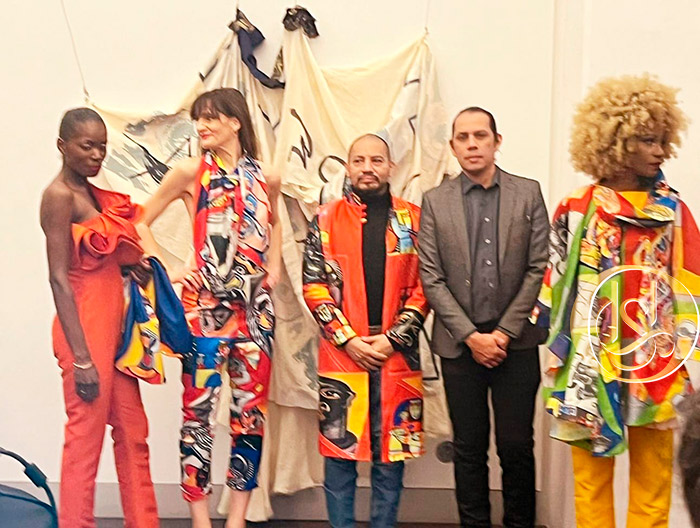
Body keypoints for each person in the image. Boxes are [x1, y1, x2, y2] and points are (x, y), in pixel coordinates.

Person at [533, 74, 700, 528]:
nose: (660, 151)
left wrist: (682, 349)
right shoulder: (576, 207)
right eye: (648, 140)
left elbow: (691, 285)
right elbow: (554, 283)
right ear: (617, 142)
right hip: (590, 363)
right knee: (591, 482)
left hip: (655, 364)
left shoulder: (674, 211)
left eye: (663, 140)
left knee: (653, 480)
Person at [137, 88, 281, 528]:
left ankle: (237, 519)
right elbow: (140, 221)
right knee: (197, 416)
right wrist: (169, 268)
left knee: (249, 418)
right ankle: (200, 518)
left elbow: (275, 224)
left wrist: (274, 269)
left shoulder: (266, 176)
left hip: (255, 317)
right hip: (204, 315)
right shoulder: (190, 171)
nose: (201, 126)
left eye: (211, 118)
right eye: (198, 118)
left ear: (235, 122)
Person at [418, 107, 549, 528]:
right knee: (469, 448)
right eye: (463, 137)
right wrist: (472, 336)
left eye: (480, 136)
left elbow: (539, 267)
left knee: (516, 447)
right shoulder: (435, 201)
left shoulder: (528, 193)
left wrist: (504, 333)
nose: (472, 144)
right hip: (460, 347)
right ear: (453, 146)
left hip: (517, 344)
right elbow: (431, 277)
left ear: (497, 141)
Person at [302, 134, 428, 528]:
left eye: (376, 160)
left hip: (397, 355)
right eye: (359, 160)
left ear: (391, 166)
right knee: (340, 458)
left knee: (391, 460)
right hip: (342, 355)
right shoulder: (325, 220)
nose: (367, 168)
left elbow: (425, 288)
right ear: (348, 167)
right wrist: (349, 339)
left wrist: (392, 339)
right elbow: (314, 286)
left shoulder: (414, 220)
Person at [40, 107, 158, 527]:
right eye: (86, 146)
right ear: (62, 146)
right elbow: (58, 278)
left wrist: (129, 267)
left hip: (115, 329)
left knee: (133, 433)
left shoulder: (91, 193)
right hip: (84, 331)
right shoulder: (58, 196)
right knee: (84, 443)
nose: (96, 155)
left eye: (102, 147)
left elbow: (98, 253)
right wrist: (82, 359)